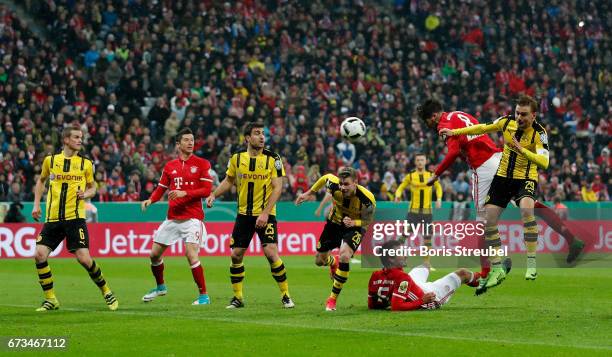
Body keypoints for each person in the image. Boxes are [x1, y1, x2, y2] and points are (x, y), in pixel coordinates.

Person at [419, 97, 585, 279]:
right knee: (530, 205)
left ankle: (486, 272)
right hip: (500, 160)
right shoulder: (460, 114)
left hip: (483, 167)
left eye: (427, 121)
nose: (429, 125)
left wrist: (436, 174)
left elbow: (453, 152)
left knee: (482, 222)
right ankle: (572, 239)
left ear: (433, 116)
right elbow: (480, 129)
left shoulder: (444, 123)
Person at [439, 94, 549, 289]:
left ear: (533, 116)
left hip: (525, 177)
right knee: (488, 222)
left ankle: (531, 263)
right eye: (517, 113)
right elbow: (481, 128)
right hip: (503, 177)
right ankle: (497, 268)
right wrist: (455, 132)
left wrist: (521, 150)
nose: (519, 117)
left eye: (524, 114)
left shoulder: (540, 133)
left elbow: (544, 162)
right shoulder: (506, 122)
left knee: (526, 211)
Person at [206, 122, 294, 309]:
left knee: (271, 253)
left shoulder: (273, 159)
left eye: (263, 133)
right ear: (247, 138)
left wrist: (264, 213)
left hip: (266, 214)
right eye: (257, 133)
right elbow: (229, 181)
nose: (262, 137)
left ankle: (286, 295)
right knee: (236, 255)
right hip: (243, 215)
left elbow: (278, 188)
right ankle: (238, 297)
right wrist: (214, 194)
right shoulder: (237, 159)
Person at [31, 125, 118, 311]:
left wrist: (86, 194)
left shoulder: (85, 164)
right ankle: (51, 299)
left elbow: (93, 187)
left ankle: (107, 291)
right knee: (39, 255)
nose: (80, 140)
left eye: (81, 137)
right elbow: (41, 181)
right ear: (66, 140)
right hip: (53, 217)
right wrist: (36, 204)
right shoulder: (51, 160)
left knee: (84, 259)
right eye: (77, 137)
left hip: (75, 218)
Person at [141, 128, 213, 305]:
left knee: (191, 254)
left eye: (192, 140)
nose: (191, 143)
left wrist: (184, 193)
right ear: (178, 144)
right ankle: (160, 287)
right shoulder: (170, 166)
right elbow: (161, 189)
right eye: (187, 140)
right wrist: (150, 200)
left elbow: (206, 190)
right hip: (173, 218)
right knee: (154, 255)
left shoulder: (202, 163)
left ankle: (204, 296)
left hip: (192, 219)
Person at [295, 167, 376, 311]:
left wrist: (354, 223)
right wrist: (309, 193)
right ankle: (333, 261)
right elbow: (325, 177)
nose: (342, 187)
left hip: (354, 227)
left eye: (346, 184)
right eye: (341, 184)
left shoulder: (367, 198)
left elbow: (368, 221)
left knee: (345, 255)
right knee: (319, 261)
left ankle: (332, 299)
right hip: (334, 223)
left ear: (355, 182)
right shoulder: (333, 184)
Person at [368, 240, 487, 311]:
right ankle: (485, 279)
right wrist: (421, 301)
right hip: (429, 296)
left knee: (425, 265)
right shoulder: (402, 278)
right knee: (463, 273)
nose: (406, 255)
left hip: (414, 285)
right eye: (401, 253)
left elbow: (371, 304)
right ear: (390, 259)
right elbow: (397, 307)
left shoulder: (375, 275)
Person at [394, 153, 442, 267]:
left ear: (426, 161)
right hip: (413, 212)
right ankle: (399, 258)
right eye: (418, 160)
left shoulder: (431, 175)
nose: (420, 162)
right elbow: (401, 187)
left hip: (427, 213)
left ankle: (426, 262)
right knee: (403, 235)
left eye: (422, 160)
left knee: (427, 238)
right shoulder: (410, 176)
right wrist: (397, 195)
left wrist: (439, 198)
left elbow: (439, 187)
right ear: (415, 162)